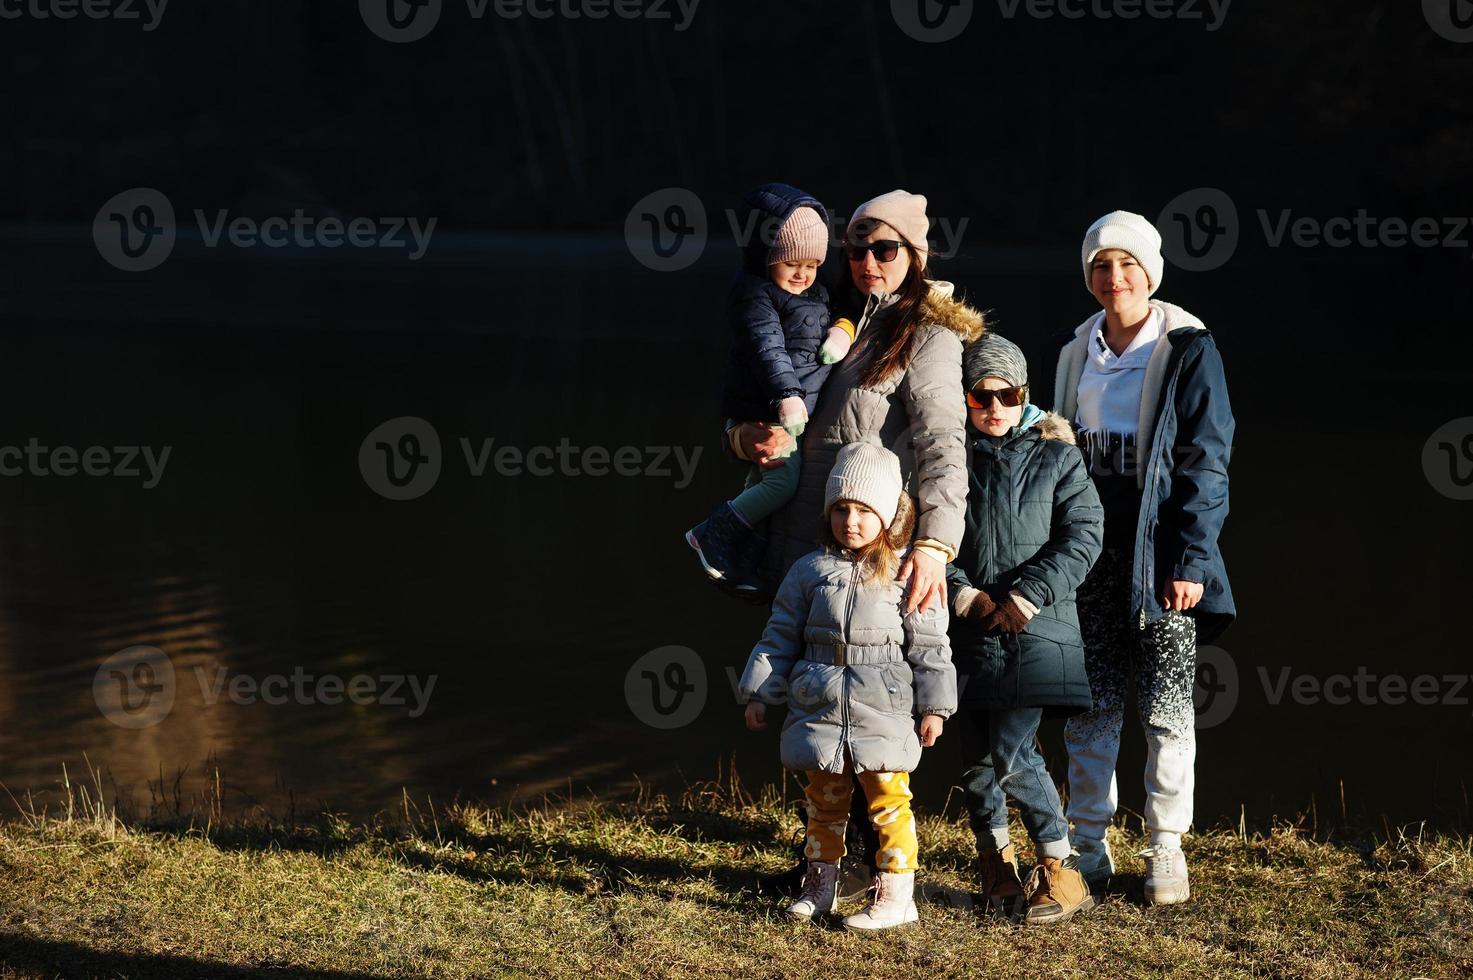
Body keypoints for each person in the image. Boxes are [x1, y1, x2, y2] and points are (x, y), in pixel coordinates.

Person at [730, 189, 983, 894]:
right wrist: (740, 436)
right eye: (857, 249)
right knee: (814, 697)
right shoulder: (825, 313)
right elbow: (767, 393)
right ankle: (821, 863)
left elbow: (941, 446)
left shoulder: (926, 335)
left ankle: (883, 871)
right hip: (807, 541)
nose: (868, 262)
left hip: (878, 552)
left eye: (884, 250)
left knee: (872, 703)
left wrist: (933, 545)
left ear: (914, 256)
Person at [1053, 210, 1236, 905]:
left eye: (1126, 264)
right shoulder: (1076, 350)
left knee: (1166, 705)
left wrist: (1190, 557)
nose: (1113, 277)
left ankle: (1164, 847)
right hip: (1088, 545)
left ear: (1150, 272)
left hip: (1160, 550)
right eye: (1100, 265)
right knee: (1090, 699)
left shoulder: (1187, 346)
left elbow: (1207, 462)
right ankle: (1087, 843)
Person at [738, 443, 957, 931]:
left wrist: (935, 706)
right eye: (840, 509)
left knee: (887, 800)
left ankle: (898, 895)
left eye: (864, 511)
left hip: (884, 705)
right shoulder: (808, 571)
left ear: (888, 516)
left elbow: (929, 646)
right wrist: (760, 691)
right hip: (819, 705)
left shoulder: (907, 572)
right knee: (824, 802)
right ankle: (819, 888)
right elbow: (779, 635)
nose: (850, 521)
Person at [944, 333, 1103, 925]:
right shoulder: (947, 460)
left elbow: (1083, 537)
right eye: (980, 395)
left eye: (1006, 395)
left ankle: (1061, 867)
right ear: (964, 398)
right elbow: (926, 533)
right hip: (967, 628)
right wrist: (964, 594)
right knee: (975, 757)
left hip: (1039, 633)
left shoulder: (1059, 457)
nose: (993, 407)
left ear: (1025, 395)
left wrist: (1027, 595)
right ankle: (996, 863)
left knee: (1012, 750)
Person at [685, 183, 859, 591]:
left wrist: (842, 333)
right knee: (781, 482)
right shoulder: (755, 296)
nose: (802, 274)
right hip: (770, 408)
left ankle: (742, 554)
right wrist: (787, 397)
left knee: (762, 485)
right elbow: (769, 351)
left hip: (786, 410)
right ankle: (712, 533)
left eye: (812, 264)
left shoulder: (817, 291)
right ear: (766, 258)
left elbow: (843, 312)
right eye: (790, 263)